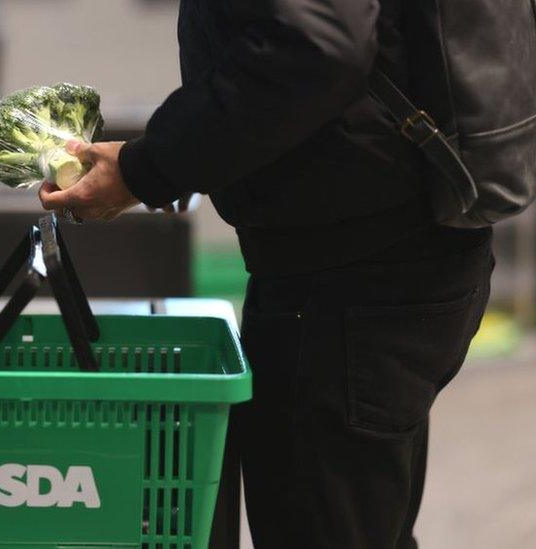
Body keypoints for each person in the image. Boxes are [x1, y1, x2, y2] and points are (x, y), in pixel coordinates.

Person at [40, 1, 493, 547]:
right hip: (405, 243)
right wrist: (188, 155)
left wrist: (149, 168)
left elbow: (318, 44)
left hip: (350, 276)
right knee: (369, 520)